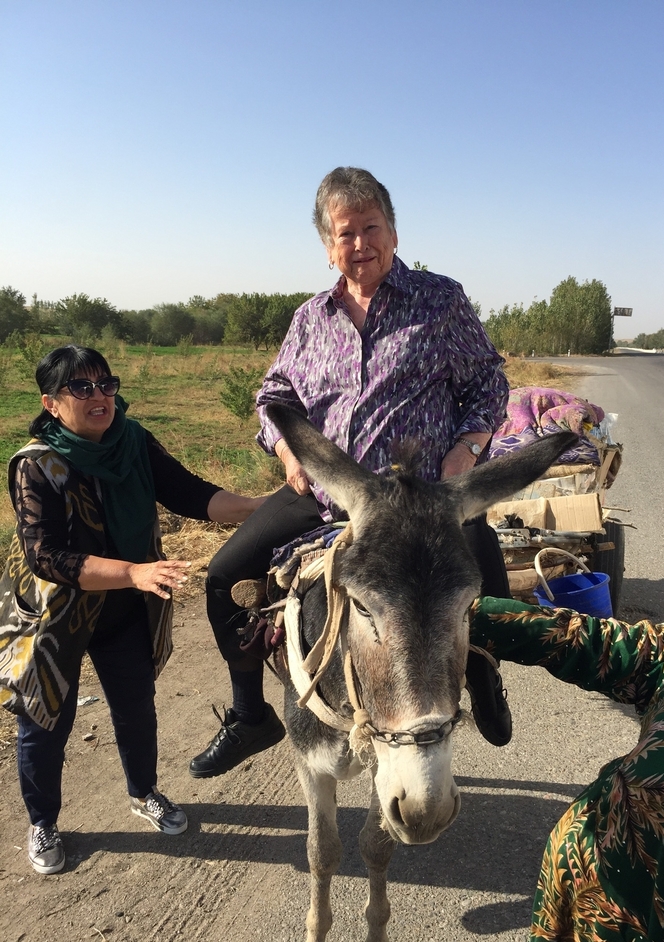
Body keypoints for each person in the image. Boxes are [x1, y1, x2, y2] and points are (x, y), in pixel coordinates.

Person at [190, 165, 513, 781]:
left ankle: (484, 675)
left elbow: (486, 384)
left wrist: (468, 448)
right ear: (326, 243)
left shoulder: (439, 300)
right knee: (223, 575)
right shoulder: (310, 318)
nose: (359, 243)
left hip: (419, 497)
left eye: (371, 227)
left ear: (393, 231)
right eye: (345, 232)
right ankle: (249, 713)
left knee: (480, 579)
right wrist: (287, 453)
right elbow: (273, 394)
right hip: (326, 490)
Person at [0, 345, 266, 876]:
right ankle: (43, 821)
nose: (99, 396)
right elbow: (45, 556)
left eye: (106, 384)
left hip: (124, 608)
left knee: (135, 708)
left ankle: (144, 793)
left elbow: (190, 494)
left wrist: (268, 508)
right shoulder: (37, 465)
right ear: (52, 403)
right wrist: (133, 571)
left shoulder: (133, 441)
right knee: (47, 719)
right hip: (54, 616)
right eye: (82, 388)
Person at [470, 595, 664, 942]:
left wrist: (468, 613)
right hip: (606, 883)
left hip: (620, 881)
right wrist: (466, 612)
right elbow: (588, 640)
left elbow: (586, 640)